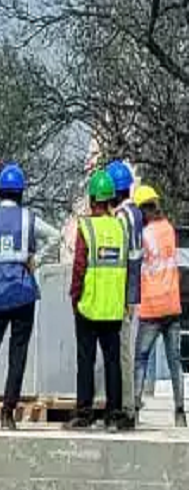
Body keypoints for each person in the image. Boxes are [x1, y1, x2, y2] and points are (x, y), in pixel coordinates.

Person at [0, 163, 60, 430]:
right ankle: (7, 415)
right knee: (17, 357)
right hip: (23, 295)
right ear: (21, 192)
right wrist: (36, 260)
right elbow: (55, 235)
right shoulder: (29, 219)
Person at [68, 169, 128, 431]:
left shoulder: (86, 227)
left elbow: (79, 265)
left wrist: (75, 295)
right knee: (113, 361)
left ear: (93, 199)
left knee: (86, 360)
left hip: (89, 306)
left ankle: (84, 412)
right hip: (114, 307)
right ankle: (114, 413)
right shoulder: (119, 227)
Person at [133, 184, 186, 427]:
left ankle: (134, 408)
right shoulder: (169, 230)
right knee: (175, 361)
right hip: (172, 304)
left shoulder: (144, 235)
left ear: (144, 209)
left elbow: (137, 261)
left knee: (141, 358)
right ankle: (179, 412)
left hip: (152, 307)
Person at [107, 159, 144, 430]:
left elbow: (123, 260)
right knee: (126, 351)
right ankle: (128, 406)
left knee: (123, 353)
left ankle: (127, 409)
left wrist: (125, 299)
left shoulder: (121, 218)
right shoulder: (137, 213)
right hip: (134, 291)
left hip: (124, 294)